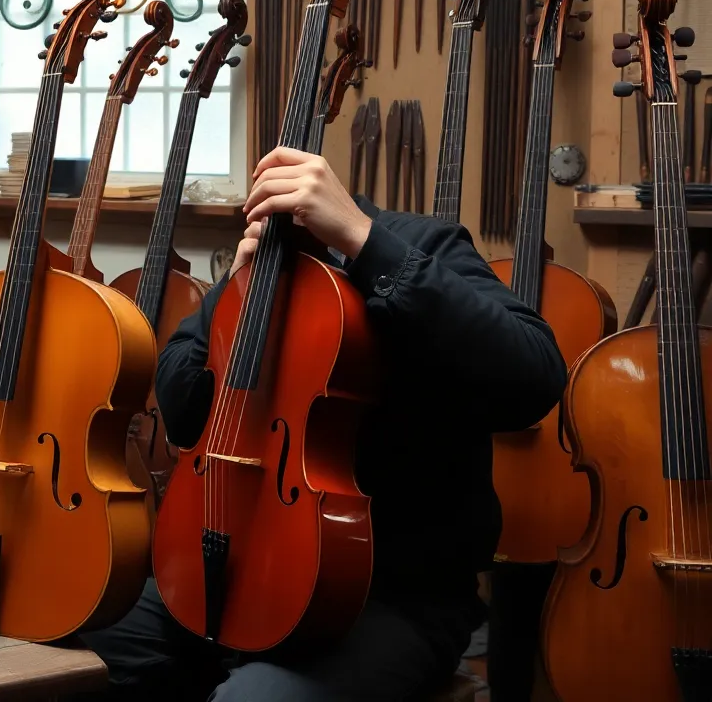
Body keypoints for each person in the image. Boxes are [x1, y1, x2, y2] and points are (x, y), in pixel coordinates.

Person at [78, 147, 568, 702]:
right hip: (224, 567)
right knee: (67, 654)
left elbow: (535, 376)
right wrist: (231, 297)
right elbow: (185, 412)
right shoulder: (257, 267)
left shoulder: (423, 242)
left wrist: (363, 238)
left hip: (382, 598)